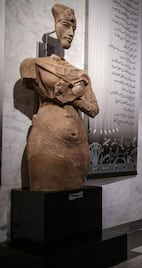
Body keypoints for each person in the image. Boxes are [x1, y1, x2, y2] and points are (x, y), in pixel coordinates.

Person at [19, 3, 99, 191]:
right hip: (48, 141)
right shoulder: (33, 65)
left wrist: (72, 97)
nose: (71, 32)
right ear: (54, 26)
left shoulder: (80, 74)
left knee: (75, 206)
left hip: (79, 146)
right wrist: (71, 93)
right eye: (66, 24)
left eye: (74, 28)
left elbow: (94, 109)